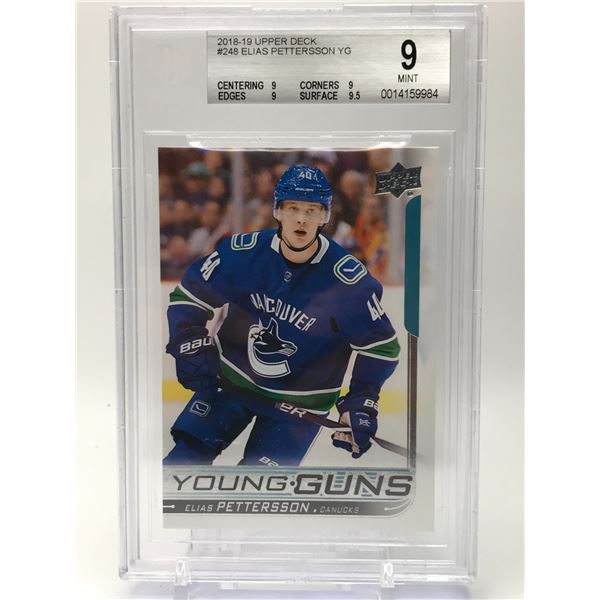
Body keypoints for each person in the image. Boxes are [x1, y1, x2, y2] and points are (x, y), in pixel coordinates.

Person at [163, 165, 400, 466]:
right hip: (231, 384)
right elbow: (190, 294)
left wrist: (361, 401)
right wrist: (188, 339)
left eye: (312, 210)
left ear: (325, 216)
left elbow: (381, 347)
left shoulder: (347, 282)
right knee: (183, 462)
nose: (301, 219)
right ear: (278, 211)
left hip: (299, 406)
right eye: (293, 208)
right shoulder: (244, 253)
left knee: (262, 485)